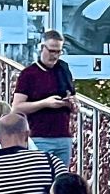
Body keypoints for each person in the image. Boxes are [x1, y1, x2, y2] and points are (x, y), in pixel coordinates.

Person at [12, 30, 76, 167]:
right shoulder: (28, 74)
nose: (55, 56)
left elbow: (73, 96)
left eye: (59, 52)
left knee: (61, 183)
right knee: (40, 180)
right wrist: (45, 103)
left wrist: (72, 104)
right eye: (52, 51)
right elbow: (17, 107)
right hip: (39, 137)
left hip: (63, 136)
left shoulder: (63, 69)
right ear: (42, 48)